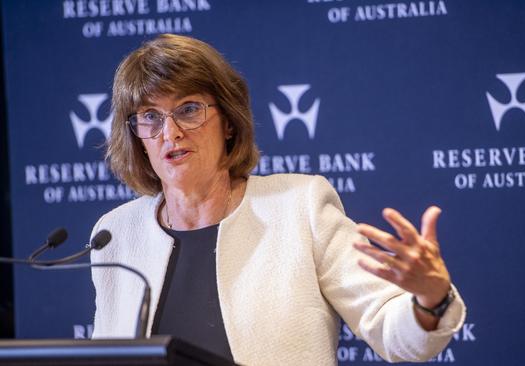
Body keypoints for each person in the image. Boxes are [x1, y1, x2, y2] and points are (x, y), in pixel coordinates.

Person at [90, 33, 466, 365]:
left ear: (230, 123)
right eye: (150, 117)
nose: (170, 132)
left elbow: (388, 325)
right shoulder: (115, 234)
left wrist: (430, 300)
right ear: (135, 135)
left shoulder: (301, 207)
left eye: (189, 109)